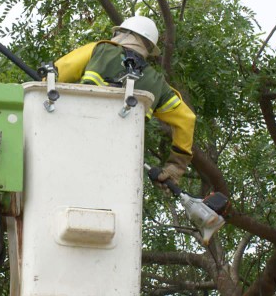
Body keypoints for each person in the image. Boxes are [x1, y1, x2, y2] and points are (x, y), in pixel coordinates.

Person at [52, 16, 195, 189]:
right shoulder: (157, 82)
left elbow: (54, 75)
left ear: (125, 33)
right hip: (119, 160)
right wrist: (176, 166)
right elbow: (187, 119)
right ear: (148, 47)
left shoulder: (100, 50)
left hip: (73, 138)